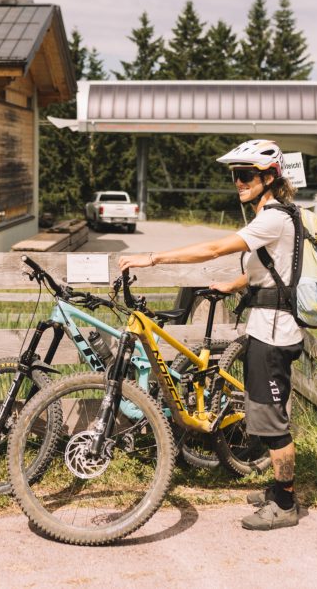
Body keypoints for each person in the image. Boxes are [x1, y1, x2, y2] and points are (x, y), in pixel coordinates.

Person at [118, 139, 302, 531]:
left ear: (271, 176)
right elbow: (272, 269)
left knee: (271, 422)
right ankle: (278, 490)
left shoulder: (274, 218)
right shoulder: (272, 216)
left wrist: (152, 258)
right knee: (262, 413)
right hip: (264, 326)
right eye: (235, 175)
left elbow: (216, 247)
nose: (238, 182)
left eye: (246, 175)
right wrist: (234, 285)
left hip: (274, 333)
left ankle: (286, 503)